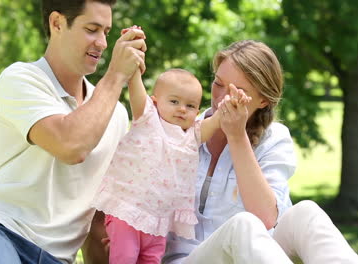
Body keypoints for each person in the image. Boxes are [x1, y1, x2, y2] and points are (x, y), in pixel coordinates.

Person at [0, 0, 148, 263]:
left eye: (106, 32)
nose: (102, 43)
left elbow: (98, 219)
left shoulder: (116, 115)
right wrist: (117, 75)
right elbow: (71, 145)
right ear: (57, 23)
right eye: (92, 29)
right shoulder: (20, 79)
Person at [162, 40, 358, 263]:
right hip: (189, 258)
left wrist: (237, 136)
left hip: (254, 255)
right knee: (242, 224)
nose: (222, 98)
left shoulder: (274, 139)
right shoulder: (178, 130)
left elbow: (265, 218)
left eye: (239, 92)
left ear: (263, 100)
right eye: (218, 83)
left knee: (306, 212)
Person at [91, 27, 251, 264]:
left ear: (197, 111)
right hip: (128, 212)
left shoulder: (194, 134)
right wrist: (134, 54)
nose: (181, 109)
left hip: (158, 222)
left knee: (152, 260)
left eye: (190, 105)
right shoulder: (147, 117)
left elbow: (218, 118)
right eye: (174, 101)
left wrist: (234, 100)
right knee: (124, 258)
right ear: (156, 102)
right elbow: (135, 82)